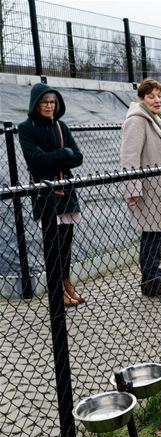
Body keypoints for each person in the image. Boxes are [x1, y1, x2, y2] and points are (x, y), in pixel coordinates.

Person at [18, 83, 85, 307]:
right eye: (45, 102)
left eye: (52, 102)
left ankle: (66, 283)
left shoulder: (61, 126)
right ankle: (56, 290)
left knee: (66, 242)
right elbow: (34, 160)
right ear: (36, 104)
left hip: (66, 190)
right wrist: (62, 154)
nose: (49, 106)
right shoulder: (26, 128)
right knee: (52, 244)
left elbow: (77, 158)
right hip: (45, 193)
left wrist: (57, 156)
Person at [120, 78, 161, 298]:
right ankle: (151, 282)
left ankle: (153, 280)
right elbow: (129, 157)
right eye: (151, 96)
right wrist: (133, 189)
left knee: (156, 236)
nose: (157, 100)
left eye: (160, 95)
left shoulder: (159, 118)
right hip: (149, 190)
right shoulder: (137, 120)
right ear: (142, 98)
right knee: (151, 236)